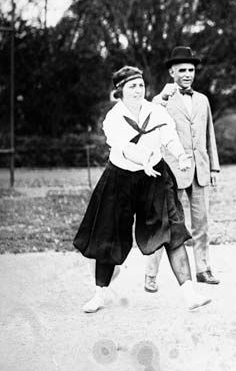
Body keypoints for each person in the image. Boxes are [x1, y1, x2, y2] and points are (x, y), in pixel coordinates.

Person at [73, 65, 211, 313]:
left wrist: (180, 156)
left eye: (141, 85)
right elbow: (124, 148)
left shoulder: (155, 111)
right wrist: (143, 160)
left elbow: (169, 136)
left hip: (155, 178)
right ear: (120, 91)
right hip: (119, 180)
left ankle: (190, 294)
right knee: (109, 235)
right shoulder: (113, 119)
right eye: (132, 86)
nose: (138, 90)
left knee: (172, 231)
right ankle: (99, 295)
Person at [144, 46, 220, 292]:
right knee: (166, 223)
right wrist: (162, 98)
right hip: (171, 172)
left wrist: (214, 169)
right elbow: (150, 123)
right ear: (172, 72)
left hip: (200, 170)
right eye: (182, 70)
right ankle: (151, 274)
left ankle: (203, 269)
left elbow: (210, 137)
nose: (188, 74)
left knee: (202, 222)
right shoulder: (161, 101)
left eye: (191, 70)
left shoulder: (202, 100)